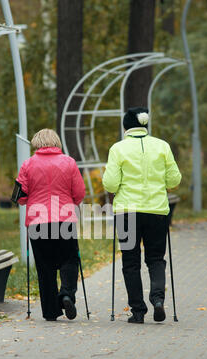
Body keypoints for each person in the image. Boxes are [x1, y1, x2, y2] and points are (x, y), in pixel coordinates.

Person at [103, 107, 182, 324]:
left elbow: (110, 184)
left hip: (127, 212)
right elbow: (174, 180)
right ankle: (158, 300)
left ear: (125, 126)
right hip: (157, 211)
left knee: (130, 261)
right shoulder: (162, 146)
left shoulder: (117, 149)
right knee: (156, 259)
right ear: (145, 125)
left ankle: (138, 311)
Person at [17, 129, 85, 321]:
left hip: (37, 222)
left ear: (36, 143)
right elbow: (79, 193)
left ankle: (50, 311)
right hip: (64, 219)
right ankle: (66, 294)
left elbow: (20, 197)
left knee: (44, 267)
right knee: (70, 259)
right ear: (56, 142)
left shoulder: (28, 164)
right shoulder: (69, 162)